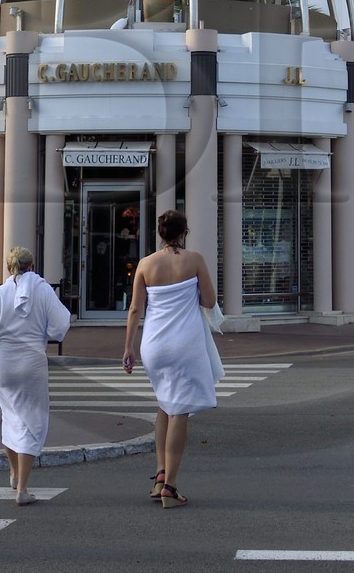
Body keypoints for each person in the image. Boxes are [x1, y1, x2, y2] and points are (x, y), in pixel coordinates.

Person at [123, 209, 219, 509]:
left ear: (160, 233)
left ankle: (159, 474)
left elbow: (135, 309)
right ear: (183, 232)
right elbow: (210, 301)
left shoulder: (145, 264)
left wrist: (128, 347)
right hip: (184, 344)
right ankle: (171, 487)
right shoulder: (195, 260)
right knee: (179, 411)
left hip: (153, 345)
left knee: (165, 404)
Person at [0, 246, 72, 504]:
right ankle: (23, 490)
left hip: (3, 362)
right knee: (32, 421)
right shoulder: (42, 290)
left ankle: (14, 473)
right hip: (31, 362)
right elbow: (60, 326)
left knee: (10, 416)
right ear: (32, 265)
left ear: (9, 268)